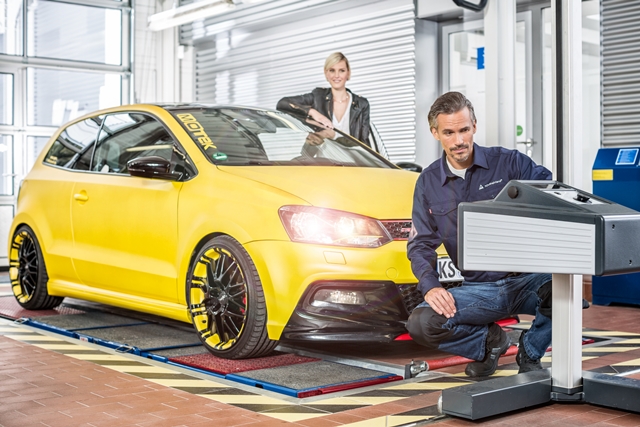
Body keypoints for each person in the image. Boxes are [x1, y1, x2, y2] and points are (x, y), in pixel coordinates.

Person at [406, 91, 554, 378]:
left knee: (565, 292)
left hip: (527, 279)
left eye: (464, 129)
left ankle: (531, 350)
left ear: (474, 125)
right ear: (435, 132)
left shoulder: (509, 163)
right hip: (479, 288)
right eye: (449, 132)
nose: (459, 140)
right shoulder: (428, 182)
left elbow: (552, 194)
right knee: (422, 322)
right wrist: (431, 286)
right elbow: (421, 244)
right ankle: (490, 343)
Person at [276, 52, 371, 149]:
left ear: (348, 73)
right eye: (332, 70)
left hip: (351, 160)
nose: (337, 75)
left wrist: (331, 135)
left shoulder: (361, 104)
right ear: (326, 73)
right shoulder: (318, 97)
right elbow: (282, 103)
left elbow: (364, 142)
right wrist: (312, 112)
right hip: (321, 158)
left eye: (341, 70)